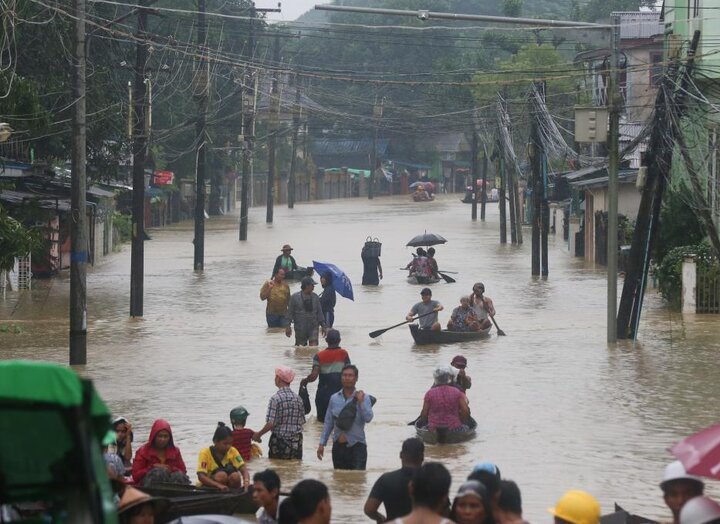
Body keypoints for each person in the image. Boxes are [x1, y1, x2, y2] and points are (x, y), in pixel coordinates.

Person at [318, 364, 374, 470]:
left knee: (357, 481)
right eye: (344, 375)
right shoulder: (334, 398)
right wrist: (322, 444)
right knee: (339, 481)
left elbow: (368, 418)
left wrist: (361, 402)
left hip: (357, 447)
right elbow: (328, 422)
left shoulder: (364, 397)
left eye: (350, 375)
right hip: (338, 447)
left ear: (356, 378)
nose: (347, 378)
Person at [364, 438, 425, 523]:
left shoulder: (386, 479)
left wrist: (380, 518)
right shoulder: (432, 481)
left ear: (401, 455)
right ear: (422, 457)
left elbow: (369, 509)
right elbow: (445, 511)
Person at [253, 366, 306, 460]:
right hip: (297, 443)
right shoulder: (298, 399)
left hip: (279, 443)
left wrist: (259, 434)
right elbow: (302, 422)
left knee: (278, 470)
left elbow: (271, 423)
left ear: (278, 379)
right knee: (294, 471)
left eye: (275, 376)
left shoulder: (275, 399)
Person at [300, 328, 351, 421]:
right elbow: (349, 375)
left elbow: (314, 376)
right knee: (340, 424)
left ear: (326, 341)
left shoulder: (319, 356)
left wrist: (305, 381)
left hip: (323, 397)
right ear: (339, 341)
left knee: (322, 425)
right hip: (341, 396)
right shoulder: (344, 354)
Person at [132, 419, 190, 487]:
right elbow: (135, 476)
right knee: (159, 472)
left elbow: (183, 471)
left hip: (170, 483)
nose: (163, 439)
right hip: (147, 485)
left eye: (165, 436)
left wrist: (170, 469)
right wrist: (152, 467)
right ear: (154, 437)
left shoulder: (175, 451)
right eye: (160, 436)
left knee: (179, 475)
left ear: (169, 438)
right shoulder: (142, 451)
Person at [196, 422, 249, 491]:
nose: (228, 446)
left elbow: (243, 469)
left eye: (230, 443)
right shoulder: (205, 453)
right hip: (209, 487)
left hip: (227, 487)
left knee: (236, 476)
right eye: (225, 443)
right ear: (215, 441)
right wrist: (219, 485)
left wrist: (246, 481)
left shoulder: (233, 451)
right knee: (222, 476)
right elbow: (201, 476)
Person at [419, 366, 470, 434]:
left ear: (436, 379)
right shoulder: (457, 392)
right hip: (454, 428)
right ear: (448, 379)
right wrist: (462, 421)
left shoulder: (429, 393)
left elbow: (424, 413)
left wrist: (424, 422)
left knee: (423, 428)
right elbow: (466, 411)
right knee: (466, 427)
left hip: (433, 428)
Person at [286, 276, 327, 346]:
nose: (313, 287)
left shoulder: (315, 297)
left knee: (313, 349)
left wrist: (323, 326)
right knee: (300, 349)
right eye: (312, 285)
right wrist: (288, 326)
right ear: (307, 286)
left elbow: (320, 313)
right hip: (300, 328)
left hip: (313, 327)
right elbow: (290, 313)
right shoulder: (294, 297)